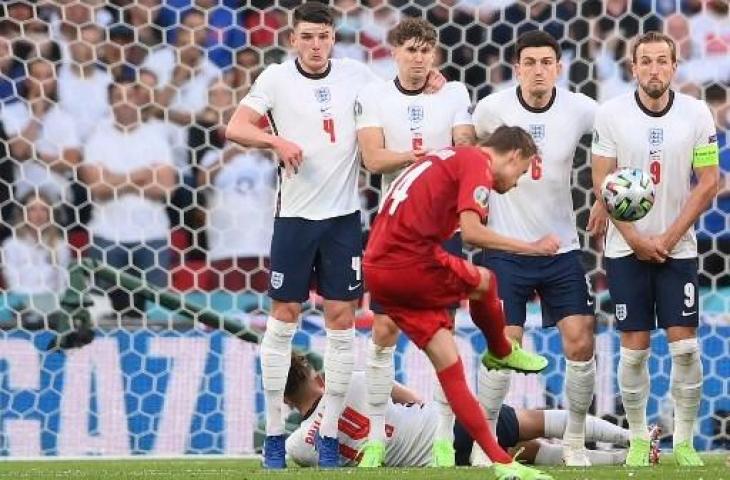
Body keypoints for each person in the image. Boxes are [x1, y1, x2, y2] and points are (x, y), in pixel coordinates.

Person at [355, 19, 559, 468]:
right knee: (486, 278)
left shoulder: (447, 153)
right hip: (409, 263)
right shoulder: (472, 162)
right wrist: (533, 246)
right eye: (521, 171)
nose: (517, 181)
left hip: (380, 264)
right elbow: (471, 233)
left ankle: (502, 465)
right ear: (512, 155)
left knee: (450, 369)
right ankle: (502, 350)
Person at [224, 2, 382, 469]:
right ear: (293, 39)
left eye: (324, 37)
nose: (316, 45)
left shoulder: (357, 75)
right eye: (308, 37)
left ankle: (329, 434)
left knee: (341, 320)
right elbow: (234, 127)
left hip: (343, 220)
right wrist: (275, 140)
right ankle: (275, 434)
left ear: (335, 38)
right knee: (284, 316)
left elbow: (396, 97)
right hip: (293, 218)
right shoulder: (275, 79)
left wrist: (429, 83)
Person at [588, 31, 719, 468]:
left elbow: (709, 182)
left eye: (663, 61)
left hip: (677, 247)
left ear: (675, 66)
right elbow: (602, 183)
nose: (654, 69)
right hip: (626, 248)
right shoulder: (611, 114)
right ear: (633, 67)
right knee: (635, 347)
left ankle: (683, 441)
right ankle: (640, 438)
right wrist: (638, 239)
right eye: (646, 61)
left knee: (685, 348)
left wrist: (667, 237)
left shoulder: (697, 113)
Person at [471, 30, 598, 466]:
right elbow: (464, 149)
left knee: (580, 341)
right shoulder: (492, 109)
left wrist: (604, 196)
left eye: (547, 62)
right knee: (504, 344)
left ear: (559, 67)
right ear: (517, 67)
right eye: (530, 62)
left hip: (561, 249)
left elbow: (617, 135)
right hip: (507, 249)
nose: (538, 69)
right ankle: (486, 444)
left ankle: (577, 442)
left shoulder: (581, 109)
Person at [283, 353, 640, 468]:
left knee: (526, 453)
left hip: (438, 462)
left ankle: (623, 458)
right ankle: (632, 440)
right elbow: (411, 398)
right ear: (316, 376)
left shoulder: (297, 447)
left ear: (284, 401)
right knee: (529, 422)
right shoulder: (353, 383)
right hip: (439, 428)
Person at [79, 79, 176, 318]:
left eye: (129, 96)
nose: (124, 102)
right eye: (118, 96)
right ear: (110, 102)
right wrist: (142, 175)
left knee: (156, 311)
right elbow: (96, 188)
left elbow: (165, 188)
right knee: (102, 311)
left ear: (139, 100)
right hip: (107, 234)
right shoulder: (97, 138)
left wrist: (115, 179)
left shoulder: (156, 136)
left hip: (151, 235)